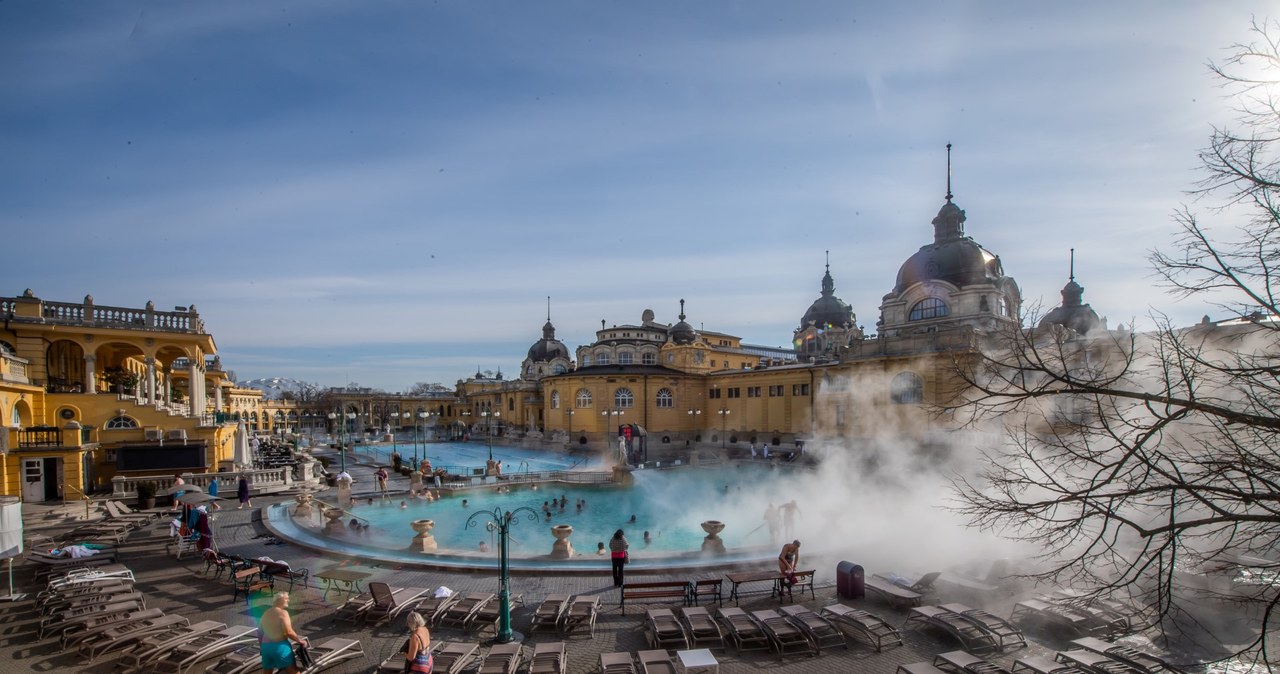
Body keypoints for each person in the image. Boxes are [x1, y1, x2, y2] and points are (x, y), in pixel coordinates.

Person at [259, 592, 307, 674]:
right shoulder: (283, 613)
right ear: (278, 600)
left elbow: (260, 631)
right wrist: (300, 641)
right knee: (293, 671)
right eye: (286, 598)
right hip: (279, 647)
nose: (288, 600)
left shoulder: (265, 613)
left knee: (267, 672)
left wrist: (262, 646)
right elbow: (288, 632)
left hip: (265, 647)